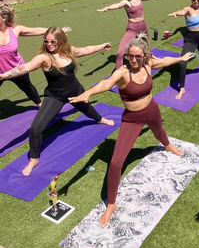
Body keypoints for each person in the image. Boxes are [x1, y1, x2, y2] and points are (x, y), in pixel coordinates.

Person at [69, 33, 194, 227]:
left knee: (159, 130)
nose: (134, 60)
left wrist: (180, 58)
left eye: (138, 56)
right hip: (132, 119)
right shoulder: (123, 72)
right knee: (116, 163)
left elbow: (165, 60)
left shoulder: (148, 63)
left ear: (144, 55)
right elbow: (106, 83)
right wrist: (88, 92)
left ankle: (167, 145)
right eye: (130, 56)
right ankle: (111, 204)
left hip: (151, 108)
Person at [0, 27, 114, 176]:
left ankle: (100, 119)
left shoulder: (69, 51)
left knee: (87, 108)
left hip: (75, 90)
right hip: (55, 96)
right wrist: (4, 75)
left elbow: (86, 49)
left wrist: (102, 46)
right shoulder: (44, 57)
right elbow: (24, 67)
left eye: (53, 41)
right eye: (46, 41)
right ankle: (34, 159)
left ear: (60, 41)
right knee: (36, 128)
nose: (49, 44)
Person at [0, 3, 70, 107]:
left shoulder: (15, 30)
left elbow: (37, 30)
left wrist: (58, 33)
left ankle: (40, 105)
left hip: (17, 69)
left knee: (28, 87)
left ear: (4, 18)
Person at [97, 0, 161, 69]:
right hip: (132, 28)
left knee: (145, 47)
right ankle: (118, 72)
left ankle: (149, 59)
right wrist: (106, 8)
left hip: (143, 26)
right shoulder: (126, 2)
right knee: (120, 53)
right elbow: (116, 5)